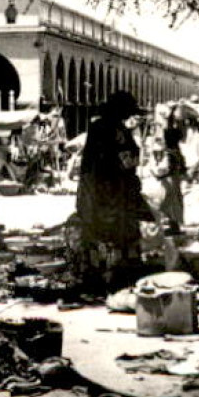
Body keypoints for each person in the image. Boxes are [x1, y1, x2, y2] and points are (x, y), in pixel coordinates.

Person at [69, 91, 149, 293]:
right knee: (112, 234)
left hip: (97, 189)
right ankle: (111, 279)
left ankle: (98, 278)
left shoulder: (101, 127)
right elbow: (123, 161)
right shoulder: (114, 130)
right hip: (109, 190)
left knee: (97, 234)